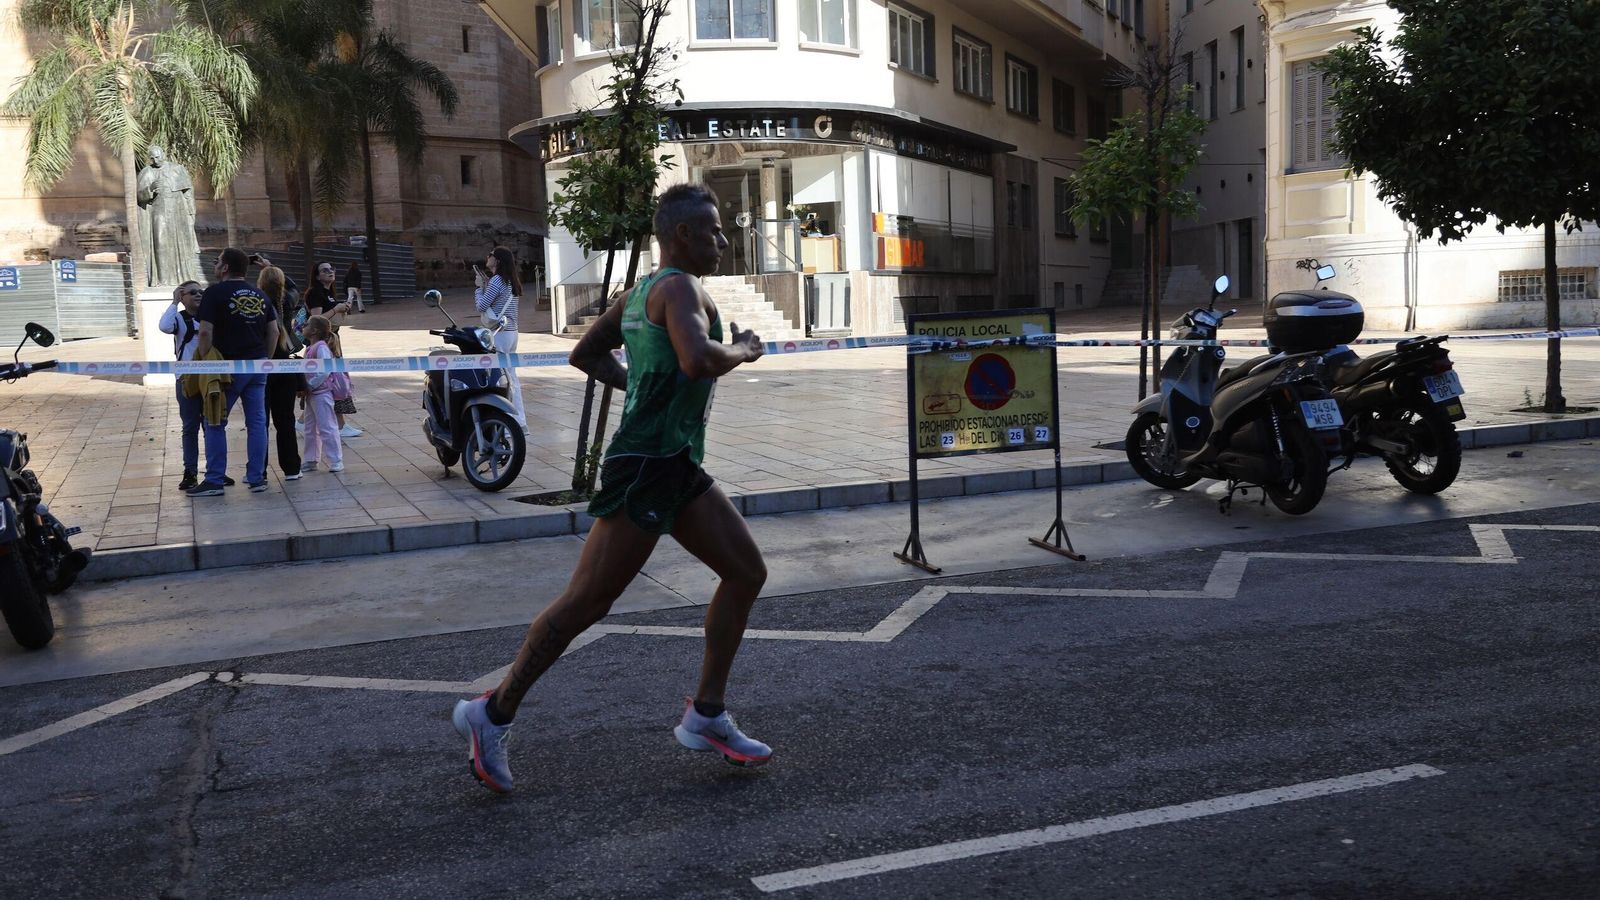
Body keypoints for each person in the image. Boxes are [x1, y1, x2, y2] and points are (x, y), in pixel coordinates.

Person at [451, 183, 769, 794]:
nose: (723, 241)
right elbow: (698, 360)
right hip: (647, 467)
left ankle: (707, 713)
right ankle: (491, 714)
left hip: (675, 464)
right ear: (683, 235)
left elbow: (587, 354)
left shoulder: (640, 293)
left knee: (745, 572)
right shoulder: (679, 288)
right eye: (715, 230)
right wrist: (742, 349)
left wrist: (645, 387)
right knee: (586, 603)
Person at [189, 248, 278, 497]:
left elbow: (205, 331)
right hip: (257, 365)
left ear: (226, 267)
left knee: (214, 420)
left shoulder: (214, 293)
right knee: (257, 423)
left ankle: (215, 479)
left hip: (226, 368)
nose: (215, 265)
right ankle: (257, 478)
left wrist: (206, 361)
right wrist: (265, 360)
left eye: (217, 262)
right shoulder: (260, 294)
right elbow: (274, 332)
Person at [160, 280, 234, 491]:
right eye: (192, 292)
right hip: (187, 378)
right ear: (183, 297)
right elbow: (164, 326)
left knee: (213, 424)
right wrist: (174, 302)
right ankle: (190, 472)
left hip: (210, 378)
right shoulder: (179, 318)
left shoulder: (211, 317)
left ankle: (216, 471)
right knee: (190, 426)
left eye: (201, 292)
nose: (198, 295)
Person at [304, 260, 362, 438]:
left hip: (331, 341)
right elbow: (316, 320)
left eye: (332, 268)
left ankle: (302, 421)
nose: (330, 271)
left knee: (331, 381)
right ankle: (340, 425)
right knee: (333, 381)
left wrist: (342, 308)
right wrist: (336, 309)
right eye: (325, 270)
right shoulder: (314, 293)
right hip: (322, 344)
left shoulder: (329, 292)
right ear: (317, 276)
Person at [258, 266, 304, 482]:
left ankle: (259, 470)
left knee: (259, 422)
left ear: (260, 283)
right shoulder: (287, 302)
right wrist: (269, 264)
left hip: (262, 367)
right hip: (285, 367)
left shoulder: (258, 303)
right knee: (285, 420)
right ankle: (292, 468)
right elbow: (295, 289)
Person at [473, 246, 526, 428]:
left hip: (499, 334)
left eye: (491, 255)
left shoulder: (497, 280)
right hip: (512, 332)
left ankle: (508, 422)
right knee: (512, 377)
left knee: (502, 379)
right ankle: (520, 421)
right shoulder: (510, 280)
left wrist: (479, 288)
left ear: (497, 260)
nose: (487, 257)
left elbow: (481, 306)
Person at [298, 316, 344, 474]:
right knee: (310, 428)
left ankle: (336, 460)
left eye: (306, 324)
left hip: (321, 393)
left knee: (327, 426)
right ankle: (311, 459)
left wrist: (309, 385)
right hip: (312, 394)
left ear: (314, 331)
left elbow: (325, 370)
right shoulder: (311, 348)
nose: (303, 326)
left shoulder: (321, 348)